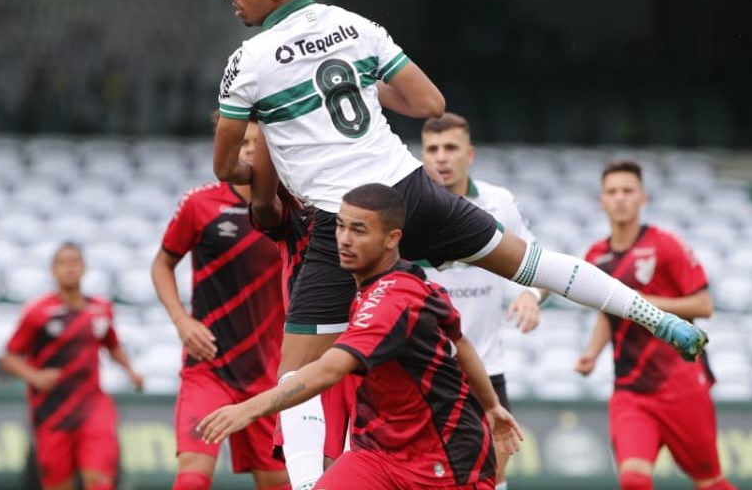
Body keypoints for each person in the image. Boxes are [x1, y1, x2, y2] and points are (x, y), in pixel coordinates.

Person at [211, 0, 707, 486]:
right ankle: (657, 317)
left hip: (343, 220)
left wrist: (267, 166)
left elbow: (225, 165)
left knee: (297, 375)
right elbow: (430, 104)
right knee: (532, 262)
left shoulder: (248, 62)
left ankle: (306, 487)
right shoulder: (355, 25)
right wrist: (363, 100)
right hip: (412, 189)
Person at [198, 184, 523, 490]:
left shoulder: (392, 300)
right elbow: (460, 343)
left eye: (359, 230)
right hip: (378, 455)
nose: (344, 239)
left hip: (445, 465)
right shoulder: (410, 285)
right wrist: (492, 407)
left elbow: (329, 370)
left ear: (392, 238)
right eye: (341, 226)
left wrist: (248, 410)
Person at [573, 160, 735, 490]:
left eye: (627, 191)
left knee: (709, 482)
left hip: (681, 385)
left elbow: (704, 305)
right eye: (612, 192)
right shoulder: (596, 256)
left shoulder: (665, 245)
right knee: (633, 480)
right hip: (630, 390)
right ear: (602, 200)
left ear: (642, 198)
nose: (620, 198)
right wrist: (591, 353)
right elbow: (608, 313)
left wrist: (642, 304)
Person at [152, 120, 291, 490]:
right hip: (208, 369)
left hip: (268, 376)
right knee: (192, 479)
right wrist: (182, 321)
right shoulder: (200, 204)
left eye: (255, 142)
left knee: (279, 483)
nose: (248, 149)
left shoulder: (292, 209)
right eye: (241, 142)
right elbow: (161, 265)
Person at [420, 112, 544, 490]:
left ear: (469, 154)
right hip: (424, 368)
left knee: (493, 477)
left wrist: (530, 293)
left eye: (451, 148)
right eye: (433, 149)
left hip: (485, 369)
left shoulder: (498, 202)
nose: (441, 157)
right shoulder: (409, 205)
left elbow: (537, 262)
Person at [1, 243, 145, 490]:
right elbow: (8, 358)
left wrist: (130, 371)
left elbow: (112, 345)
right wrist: (34, 377)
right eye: (63, 263)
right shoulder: (38, 312)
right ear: (53, 270)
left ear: (84, 267)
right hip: (52, 412)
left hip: (92, 405)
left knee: (99, 480)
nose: (69, 268)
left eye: (74, 262)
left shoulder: (100, 310)